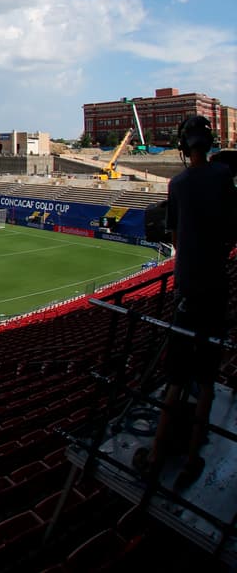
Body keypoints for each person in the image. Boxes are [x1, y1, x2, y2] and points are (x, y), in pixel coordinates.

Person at [134, 115, 237, 489]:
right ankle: (194, 456)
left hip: (188, 289)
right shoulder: (224, 177)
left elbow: (175, 236)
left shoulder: (177, 184)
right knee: (207, 380)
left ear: (182, 147)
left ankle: (157, 455)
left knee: (176, 380)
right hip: (216, 286)